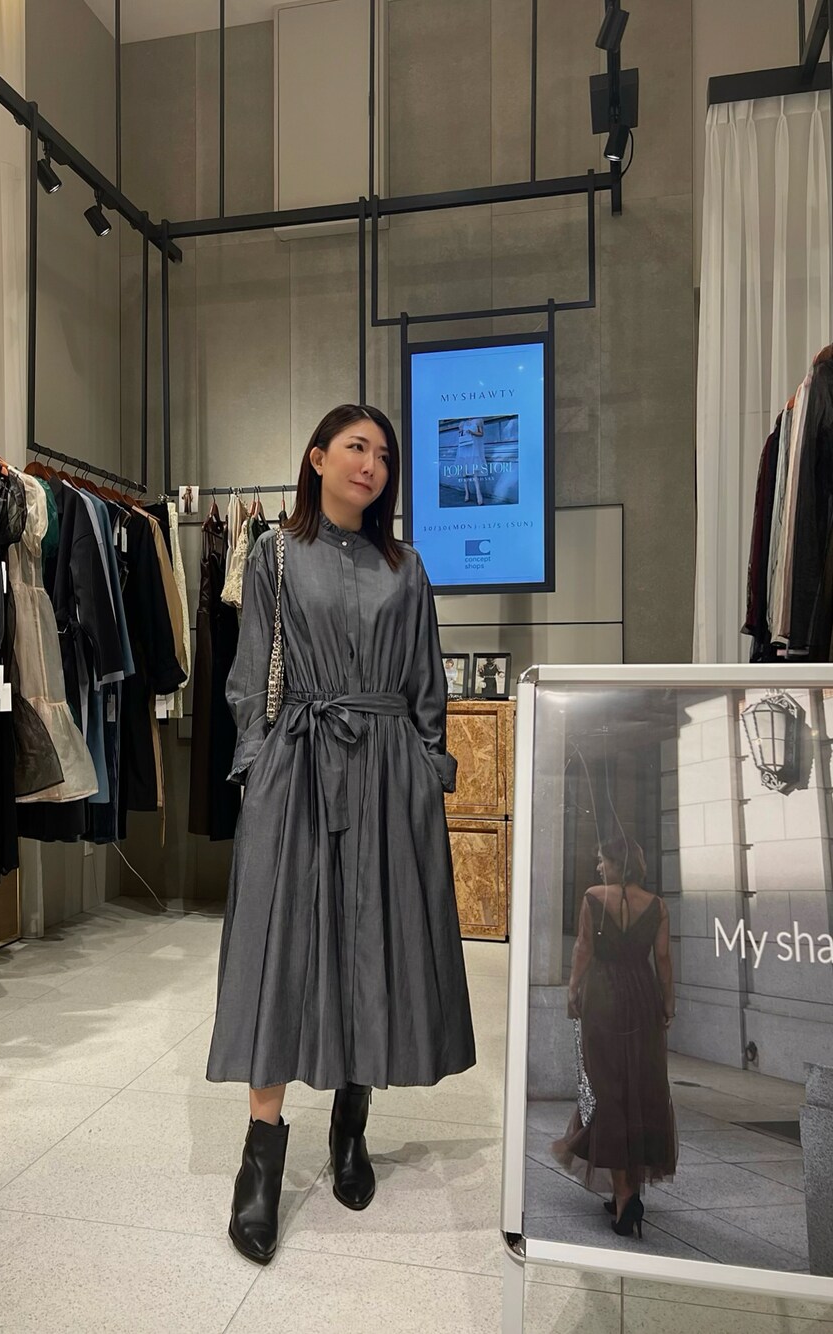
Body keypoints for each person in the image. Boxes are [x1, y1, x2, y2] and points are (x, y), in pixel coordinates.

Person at [208, 403, 476, 1266]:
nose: (372, 464)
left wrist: (429, 769)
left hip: (390, 772)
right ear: (318, 457)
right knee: (280, 949)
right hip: (300, 764)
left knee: (371, 945)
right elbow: (248, 674)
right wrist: (257, 769)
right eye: (357, 447)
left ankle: (351, 1126)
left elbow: (427, 681)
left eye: (384, 455)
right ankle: (261, 1156)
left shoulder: (408, 566)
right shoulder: (274, 552)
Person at [553, 834, 677, 1239]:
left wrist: (573, 989)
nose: (598, 867)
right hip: (642, 996)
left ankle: (624, 1195)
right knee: (639, 1088)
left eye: (602, 860)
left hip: (604, 995)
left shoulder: (593, 897)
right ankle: (630, 1191)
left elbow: (583, 948)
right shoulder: (657, 906)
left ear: (617, 863)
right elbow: (663, 959)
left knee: (609, 1089)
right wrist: (668, 1004)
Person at [455, 417, 486, 505]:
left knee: (474, 474)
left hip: (473, 448)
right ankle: (467, 493)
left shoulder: (478, 421)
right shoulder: (462, 423)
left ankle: (479, 495)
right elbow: (460, 435)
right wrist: (461, 432)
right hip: (464, 449)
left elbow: (481, 434)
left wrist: (472, 432)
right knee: (464, 474)